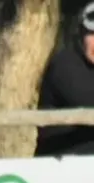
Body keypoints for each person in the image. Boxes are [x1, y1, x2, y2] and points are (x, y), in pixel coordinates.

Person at [35, 2, 94, 157]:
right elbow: (87, 100)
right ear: (80, 35)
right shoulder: (64, 64)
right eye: (92, 34)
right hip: (62, 167)